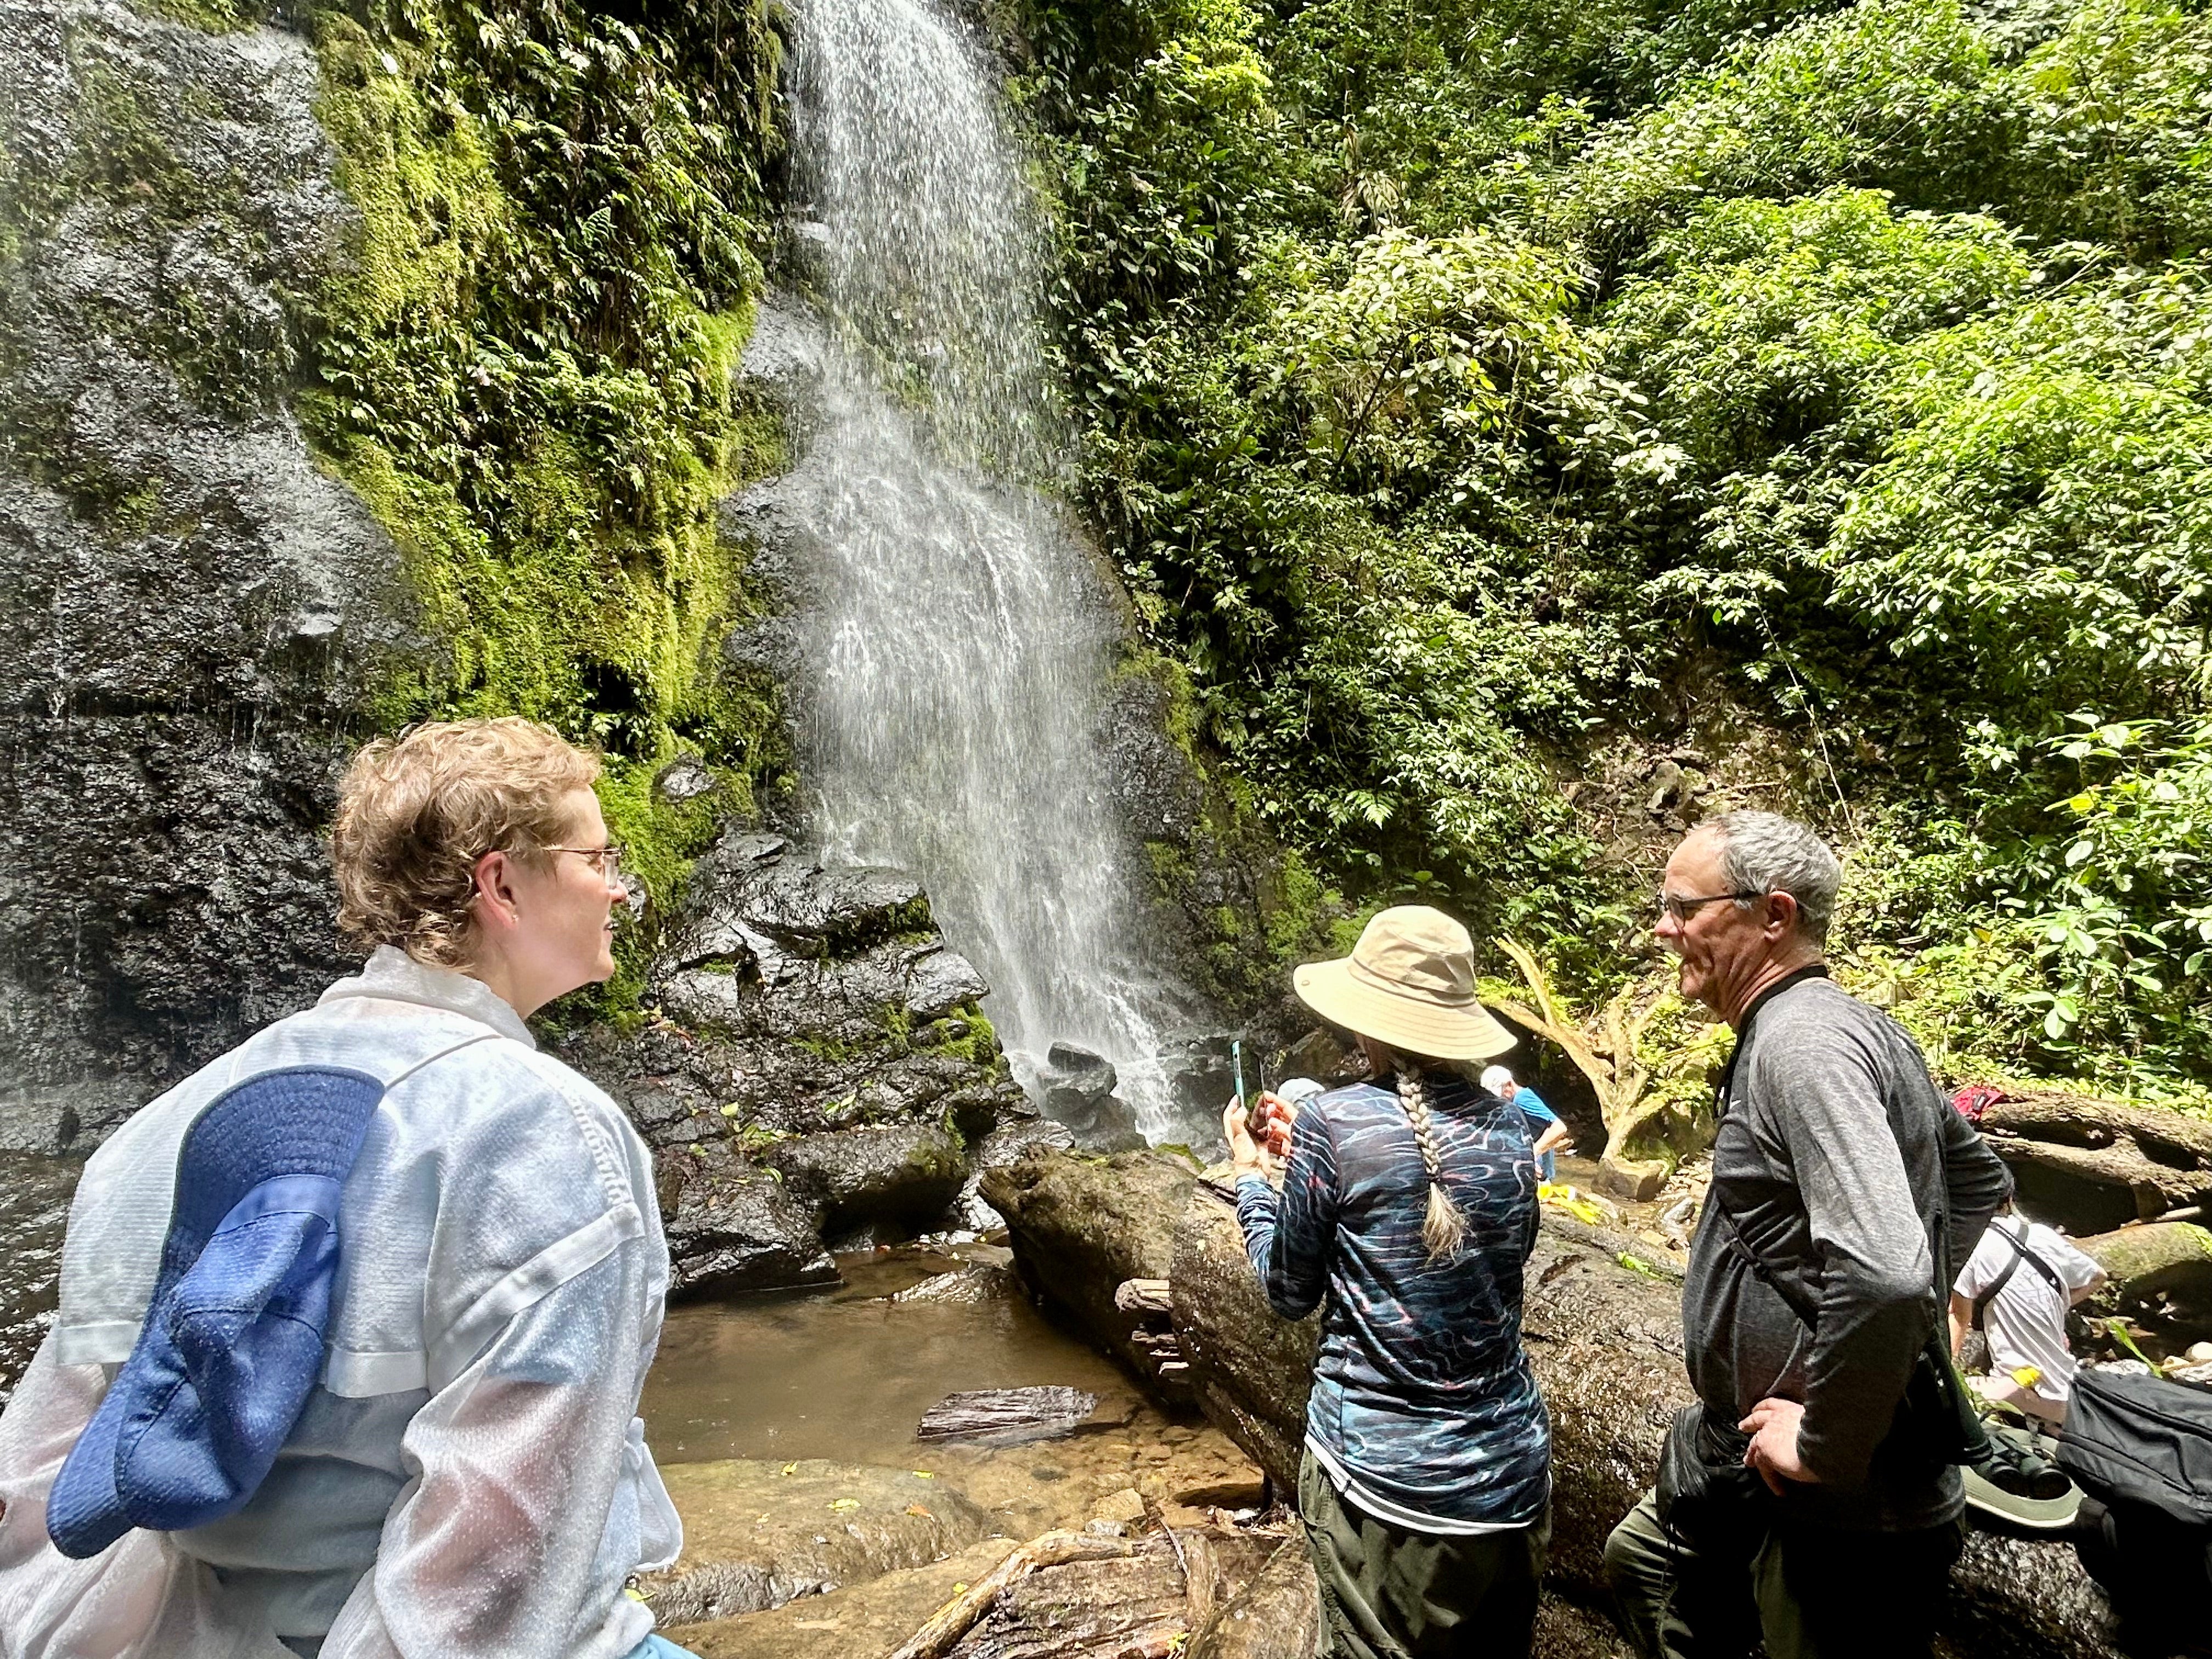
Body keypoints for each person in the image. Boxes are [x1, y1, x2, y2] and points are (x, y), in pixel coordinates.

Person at [0, 718, 697, 1659]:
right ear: (500, 883)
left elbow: (46, 1479)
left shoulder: (156, 1129)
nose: (618, 884)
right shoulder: (546, 1130)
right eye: (598, 855)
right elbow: (502, 1537)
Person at [1601, 811, 2011, 1659]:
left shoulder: (1803, 1047)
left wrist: (1828, 1433)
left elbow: (1891, 1273)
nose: (1663, 928)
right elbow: (1978, 1183)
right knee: (1642, 1562)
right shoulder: (1842, 1029)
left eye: (1683, 907)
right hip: (1753, 1466)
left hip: (1839, 1507)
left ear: (1773, 916)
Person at [1226, 906, 1551, 1659]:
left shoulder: (1333, 1125)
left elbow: (1286, 1291)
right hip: (1512, 1480)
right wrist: (1304, 1166)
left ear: (1370, 1021)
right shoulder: (1511, 1129)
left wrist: (1253, 1178)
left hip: (1385, 1486)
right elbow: (1490, 1252)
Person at [1949, 1203, 2107, 1425]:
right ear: (2009, 1202)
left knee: (1955, 1396)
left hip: (2024, 1393)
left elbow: (1958, 1317)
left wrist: (1947, 1373)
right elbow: (2098, 1276)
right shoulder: (2040, 1234)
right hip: (2069, 1387)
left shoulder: (1972, 1249)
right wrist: (2057, 1312)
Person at [1481, 1064, 1572, 1182]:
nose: (1498, 1100)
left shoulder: (1522, 1099)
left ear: (1509, 1084)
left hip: (1538, 1173)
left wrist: (1531, 1156)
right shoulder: (1514, 1102)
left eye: (1501, 1093)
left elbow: (1559, 1128)